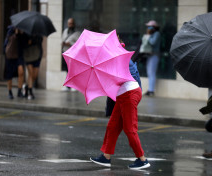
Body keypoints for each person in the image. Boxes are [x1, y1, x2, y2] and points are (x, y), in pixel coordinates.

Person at [90, 38, 150, 170]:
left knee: (130, 129)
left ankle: (142, 159)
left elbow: (114, 78)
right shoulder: (115, 56)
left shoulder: (118, 56)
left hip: (129, 94)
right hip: (123, 95)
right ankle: (106, 157)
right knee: (113, 126)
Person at [3, 26, 25, 99]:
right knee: (9, 75)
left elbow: (24, 44)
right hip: (10, 56)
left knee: (21, 72)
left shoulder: (23, 31)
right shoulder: (10, 30)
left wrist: (22, 34)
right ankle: (10, 92)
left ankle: (19, 91)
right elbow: (9, 42)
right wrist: (15, 33)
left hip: (19, 55)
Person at [21, 34, 43, 100]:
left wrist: (32, 40)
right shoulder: (25, 34)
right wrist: (28, 42)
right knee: (31, 74)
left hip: (37, 55)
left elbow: (40, 41)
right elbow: (23, 44)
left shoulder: (39, 34)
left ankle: (26, 87)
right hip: (28, 56)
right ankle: (30, 92)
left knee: (34, 75)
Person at [61, 18, 80, 91]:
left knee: (73, 70)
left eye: (71, 23)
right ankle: (68, 86)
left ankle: (74, 85)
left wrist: (70, 44)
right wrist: (63, 43)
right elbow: (62, 39)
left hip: (73, 55)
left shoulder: (77, 33)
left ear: (74, 24)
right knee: (67, 70)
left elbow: (79, 44)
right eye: (69, 23)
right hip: (65, 53)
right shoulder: (65, 31)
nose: (70, 25)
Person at [143, 20, 160, 97]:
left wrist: (148, 36)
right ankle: (150, 89)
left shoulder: (156, 34)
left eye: (150, 26)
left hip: (154, 55)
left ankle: (151, 90)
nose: (148, 28)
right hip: (149, 55)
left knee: (152, 73)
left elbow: (153, 42)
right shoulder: (152, 34)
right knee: (149, 73)